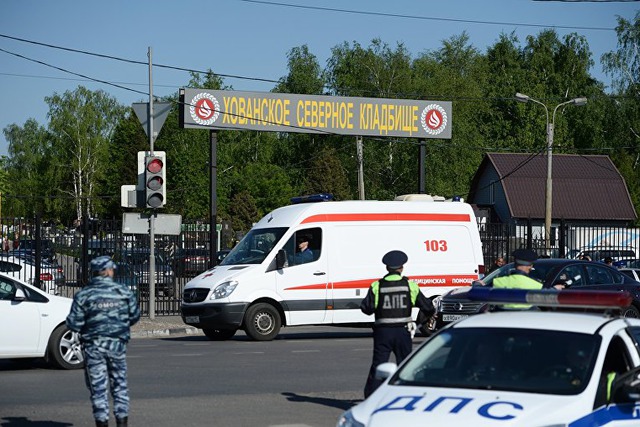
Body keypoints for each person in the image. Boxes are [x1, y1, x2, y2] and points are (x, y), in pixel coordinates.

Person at [66, 256, 141, 427]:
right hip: (117, 345)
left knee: (98, 389)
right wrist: (119, 326)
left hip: (93, 347)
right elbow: (135, 316)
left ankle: (102, 422)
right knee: (120, 386)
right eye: (112, 269)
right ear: (107, 271)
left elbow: (73, 323)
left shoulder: (84, 295)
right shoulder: (123, 292)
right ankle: (122, 422)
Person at [360, 250, 435, 398]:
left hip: (383, 333)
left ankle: (370, 397)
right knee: (405, 366)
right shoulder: (410, 286)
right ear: (402, 268)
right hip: (403, 332)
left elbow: (366, 309)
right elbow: (427, 307)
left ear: (387, 268)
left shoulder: (377, 286)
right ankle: (407, 396)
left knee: (378, 365)